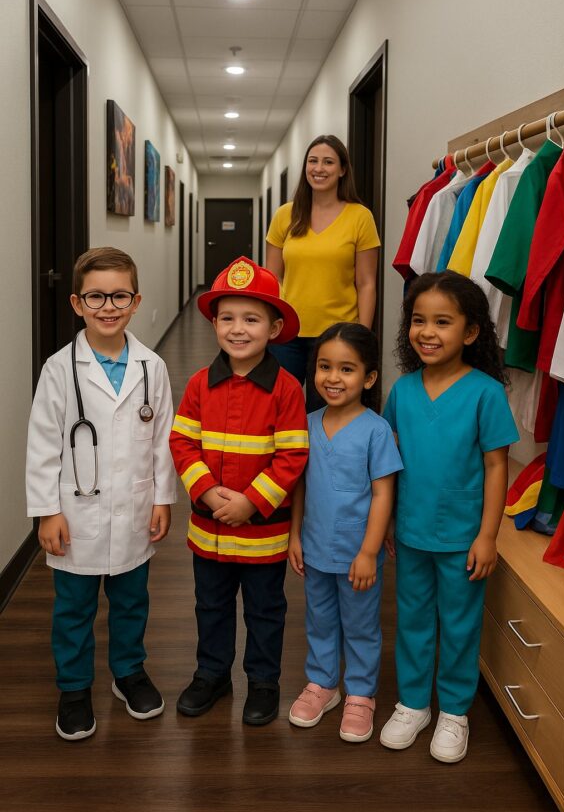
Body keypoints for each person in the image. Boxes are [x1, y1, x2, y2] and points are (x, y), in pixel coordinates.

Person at [26, 247, 176, 741]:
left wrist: (161, 499)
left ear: (136, 301)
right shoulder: (58, 368)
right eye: (96, 296)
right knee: (74, 607)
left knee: (132, 600)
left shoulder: (152, 366)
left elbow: (163, 440)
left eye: (119, 295)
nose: (107, 306)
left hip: (134, 508)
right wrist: (47, 511)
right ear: (76, 302)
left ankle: (128, 672)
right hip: (77, 512)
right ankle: (74, 687)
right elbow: (44, 445)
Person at [379, 270, 519, 763]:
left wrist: (488, 535)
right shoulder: (403, 391)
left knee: (458, 625)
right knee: (413, 620)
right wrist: (391, 520)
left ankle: (454, 711)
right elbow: (391, 461)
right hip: (413, 532)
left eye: (442, 321)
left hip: (463, 537)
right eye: (418, 320)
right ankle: (414, 704)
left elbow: (496, 465)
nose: (427, 332)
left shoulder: (485, 392)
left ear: (471, 332)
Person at [169, 257, 309, 727]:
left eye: (252, 319)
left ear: (273, 328)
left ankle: (264, 681)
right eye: (226, 318)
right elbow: (182, 441)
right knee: (210, 605)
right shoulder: (197, 385)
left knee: (265, 610)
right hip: (208, 530)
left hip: (262, 534)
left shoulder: (287, 389)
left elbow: (292, 456)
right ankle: (212, 673)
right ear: (213, 324)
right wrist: (207, 493)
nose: (237, 329)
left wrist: (252, 501)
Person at [288, 323, 402, 742]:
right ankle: (322, 684)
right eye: (324, 367)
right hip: (316, 547)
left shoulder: (375, 431)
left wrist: (369, 551)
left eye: (347, 369)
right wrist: (295, 535)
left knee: (360, 625)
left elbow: (383, 494)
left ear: (369, 378)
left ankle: (360, 693)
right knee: (318, 619)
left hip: (358, 552)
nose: (333, 378)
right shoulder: (307, 422)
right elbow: (300, 485)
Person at [266, 134, 380, 411]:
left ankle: (323, 457)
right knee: (279, 407)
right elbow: (271, 279)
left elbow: (366, 284)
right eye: (313, 161)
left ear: (342, 170)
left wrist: (361, 337)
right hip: (287, 333)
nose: (319, 168)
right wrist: (267, 326)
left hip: (338, 335)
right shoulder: (285, 215)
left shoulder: (359, 217)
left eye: (328, 162)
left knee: (327, 412)